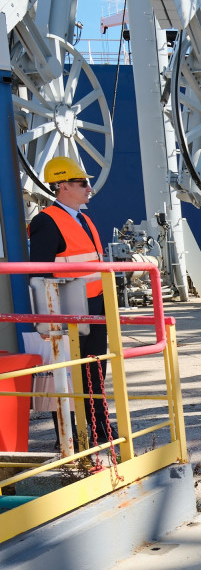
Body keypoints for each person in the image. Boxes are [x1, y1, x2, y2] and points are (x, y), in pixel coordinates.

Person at [28, 156, 114, 452]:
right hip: (67, 311)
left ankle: (99, 425)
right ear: (63, 186)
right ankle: (67, 432)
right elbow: (38, 273)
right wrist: (44, 319)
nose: (89, 188)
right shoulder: (46, 221)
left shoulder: (84, 219)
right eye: (82, 183)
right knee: (66, 373)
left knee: (95, 369)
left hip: (95, 307)